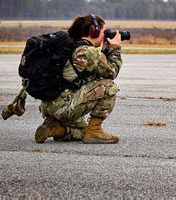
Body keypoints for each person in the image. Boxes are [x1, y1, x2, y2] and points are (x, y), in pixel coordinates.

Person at [35, 14, 123, 144]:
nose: (105, 35)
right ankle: (94, 130)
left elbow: (93, 71)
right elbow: (111, 73)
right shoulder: (87, 51)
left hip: (50, 105)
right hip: (64, 106)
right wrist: (115, 48)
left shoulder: (69, 46)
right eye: (103, 32)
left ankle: (56, 128)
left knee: (81, 131)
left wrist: (104, 51)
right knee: (109, 85)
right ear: (94, 31)